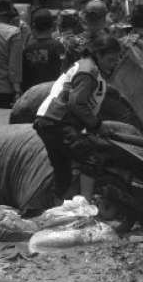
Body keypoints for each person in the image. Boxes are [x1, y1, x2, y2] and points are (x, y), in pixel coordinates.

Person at [33, 34, 123, 204]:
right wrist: (97, 125)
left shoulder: (87, 67)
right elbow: (77, 104)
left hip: (47, 122)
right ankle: (85, 210)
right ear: (98, 54)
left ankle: (58, 211)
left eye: (115, 61)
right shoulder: (88, 70)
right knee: (92, 160)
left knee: (64, 173)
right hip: (58, 121)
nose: (113, 65)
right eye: (110, 60)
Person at [21, 9, 64, 93]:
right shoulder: (58, 46)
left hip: (32, 94)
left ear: (34, 27)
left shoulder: (27, 49)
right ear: (53, 25)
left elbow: (24, 76)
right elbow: (63, 71)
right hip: (52, 94)